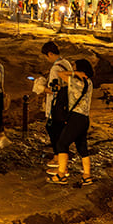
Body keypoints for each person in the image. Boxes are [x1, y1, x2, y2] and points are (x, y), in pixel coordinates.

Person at [46, 58, 94, 185]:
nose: (72, 68)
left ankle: (61, 174)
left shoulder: (76, 81)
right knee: (82, 146)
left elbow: (60, 74)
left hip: (75, 118)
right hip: (85, 118)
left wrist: (74, 74)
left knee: (62, 144)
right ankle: (87, 176)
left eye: (75, 67)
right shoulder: (89, 82)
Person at [33, 40, 72, 168]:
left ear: (50, 54)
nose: (46, 59)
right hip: (66, 103)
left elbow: (54, 89)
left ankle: (57, 158)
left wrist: (40, 88)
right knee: (60, 130)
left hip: (56, 104)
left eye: (46, 56)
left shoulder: (55, 68)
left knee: (53, 130)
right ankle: (62, 156)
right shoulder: (66, 63)